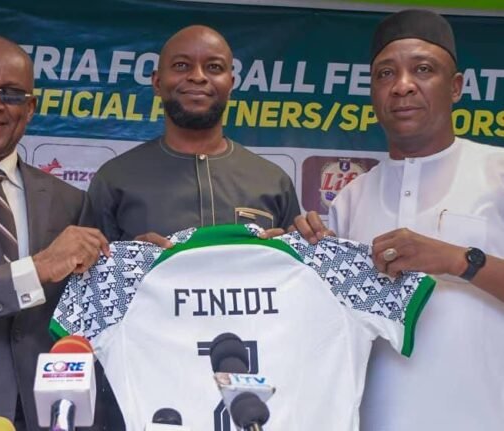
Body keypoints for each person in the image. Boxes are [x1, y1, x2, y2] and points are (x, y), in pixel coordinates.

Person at [293, 9, 504, 431]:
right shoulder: (352, 198)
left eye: (423, 69)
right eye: (385, 74)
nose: (402, 85)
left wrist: (458, 260)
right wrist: (307, 262)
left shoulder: (496, 171)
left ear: (456, 87)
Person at [0, 36, 112, 430]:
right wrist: (34, 270)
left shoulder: (69, 201)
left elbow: (88, 319)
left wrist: (145, 265)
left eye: (10, 93)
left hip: (53, 416)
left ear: (30, 108)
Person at [85, 25, 300, 244]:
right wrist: (134, 258)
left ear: (231, 85)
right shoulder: (114, 179)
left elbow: (294, 263)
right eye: (181, 65)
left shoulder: (273, 181)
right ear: (157, 82)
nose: (198, 77)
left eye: (214, 67)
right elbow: (90, 264)